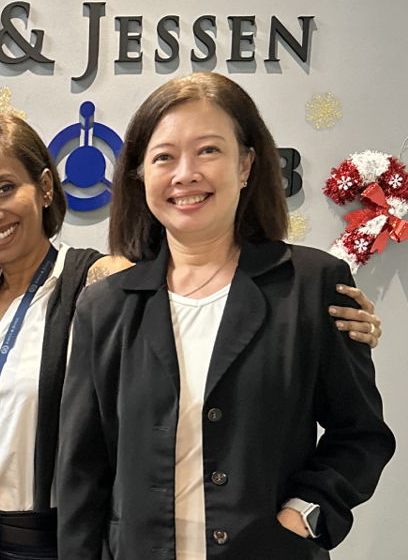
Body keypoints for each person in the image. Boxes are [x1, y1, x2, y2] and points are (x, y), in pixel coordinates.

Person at [0, 114, 385, 560]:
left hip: (39, 538)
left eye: (4, 189)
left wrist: (325, 319)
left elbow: (182, 288)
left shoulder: (98, 282)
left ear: (42, 188)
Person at [57, 72, 395, 559]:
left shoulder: (310, 284)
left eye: (208, 151)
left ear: (247, 165)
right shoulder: (105, 306)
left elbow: (360, 435)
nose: (185, 174)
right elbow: (80, 473)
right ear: (140, 175)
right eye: (164, 157)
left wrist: (303, 515)